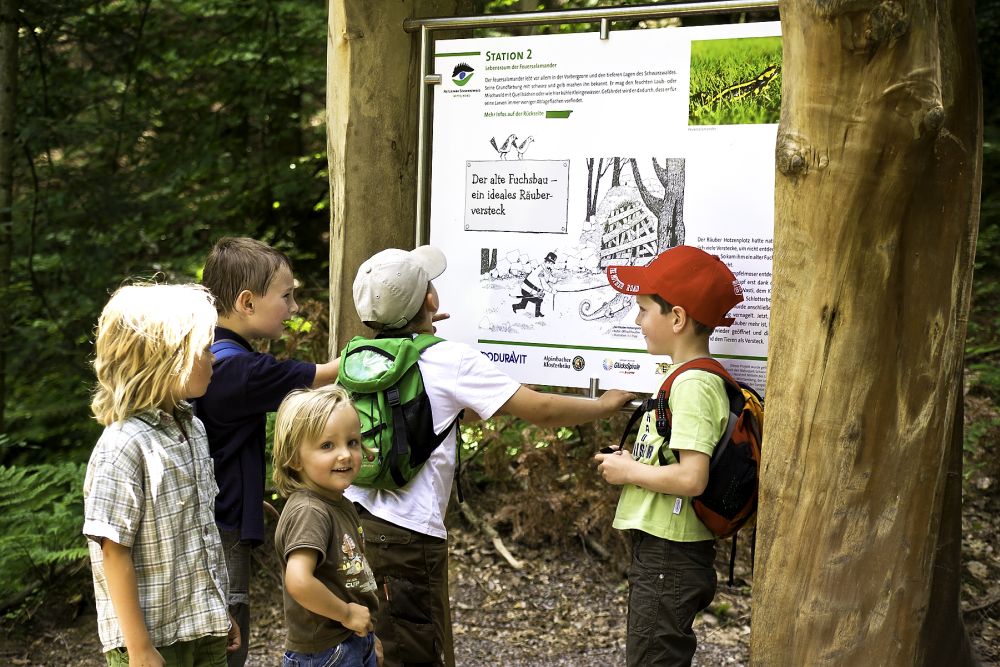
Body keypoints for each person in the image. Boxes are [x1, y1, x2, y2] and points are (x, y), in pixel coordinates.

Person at [345, 246, 635, 667]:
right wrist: (604, 406)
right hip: (409, 537)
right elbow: (542, 410)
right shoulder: (448, 360)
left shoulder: (359, 357)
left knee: (380, 646)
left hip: (355, 523)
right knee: (417, 652)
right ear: (431, 300)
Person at [594, 245, 744, 667]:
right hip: (665, 551)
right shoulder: (685, 379)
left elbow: (691, 478)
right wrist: (632, 461)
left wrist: (628, 471)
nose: (637, 320)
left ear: (676, 318)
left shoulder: (694, 384)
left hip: (670, 554)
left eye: (643, 310)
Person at [193, 237, 340, 666]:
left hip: (217, 516)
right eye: (287, 295)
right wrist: (410, 336)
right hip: (222, 530)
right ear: (246, 302)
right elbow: (338, 373)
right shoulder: (238, 368)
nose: (294, 307)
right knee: (227, 638)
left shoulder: (210, 356)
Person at [83, 283, 241, 666]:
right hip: (151, 638)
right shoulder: (123, 444)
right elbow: (113, 551)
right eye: (204, 349)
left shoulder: (194, 429)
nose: (214, 359)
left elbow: (200, 534)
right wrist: (138, 648)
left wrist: (219, 610)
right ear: (164, 358)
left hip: (202, 627)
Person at [271, 385, 382, 667]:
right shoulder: (310, 511)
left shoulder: (336, 502)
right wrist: (346, 614)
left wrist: (366, 634)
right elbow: (299, 580)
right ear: (294, 458)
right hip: (326, 652)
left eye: (353, 442)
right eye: (327, 446)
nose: (345, 454)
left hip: (350, 639)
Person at [512, 250, 557, 317]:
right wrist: (552, 291)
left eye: (552, 264)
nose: (551, 265)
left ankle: (536, 313)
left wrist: (554, 280)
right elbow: (544, 284)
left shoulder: (544, 269)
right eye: (551, 263)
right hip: (527, 289)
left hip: (530, 289)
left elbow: (547, 277)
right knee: (536, 301)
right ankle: (516, 307)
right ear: (546, 261)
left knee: (533, 302)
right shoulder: (541, 270)